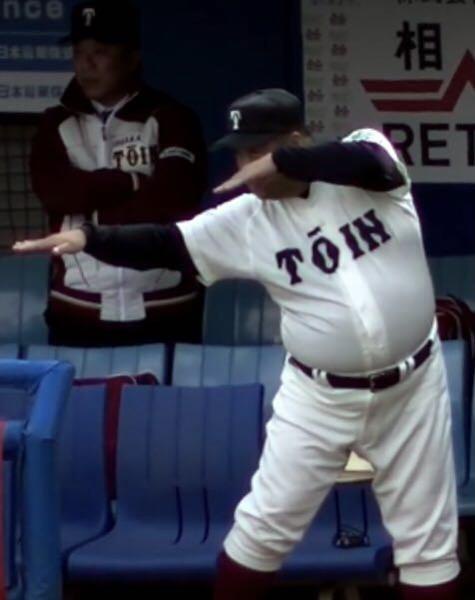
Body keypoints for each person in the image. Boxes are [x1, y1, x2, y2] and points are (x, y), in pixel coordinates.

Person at [15, 88, 460, 599]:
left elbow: (365, 159)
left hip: (412, 388)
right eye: (240, 154)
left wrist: (284, 160)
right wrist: (91, 240)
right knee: (261, 532)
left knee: (428, 547)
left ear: (297, 141)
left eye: (258, 150)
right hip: (320, 399)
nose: (247, 166)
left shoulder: (368, 167)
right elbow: (168, 243)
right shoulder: (245, 220)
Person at [30, 0, 207, 346]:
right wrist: (133, 181)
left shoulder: (172, 117)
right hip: (78, 308)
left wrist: (91, 211)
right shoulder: (54, 123)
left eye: (100, 52)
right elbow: (56, 193)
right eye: (79, 53)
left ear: (132, 57)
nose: (87, 65)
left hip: (166, 305)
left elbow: (175, 199)